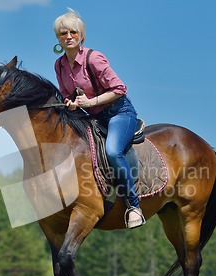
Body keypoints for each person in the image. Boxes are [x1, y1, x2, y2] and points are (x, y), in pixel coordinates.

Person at [53, 9, 145, 229]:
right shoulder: (59, 65)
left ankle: (134, 206)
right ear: (58, 37)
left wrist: (91, 103)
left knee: (113, 151)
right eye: (63, 33)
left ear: (81, 36)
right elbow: (66, 95)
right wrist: (71, 103)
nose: (68, 36)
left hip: (119, 113)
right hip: (91, 117)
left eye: (73, 32)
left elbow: (120, 88)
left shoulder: (93, 58)